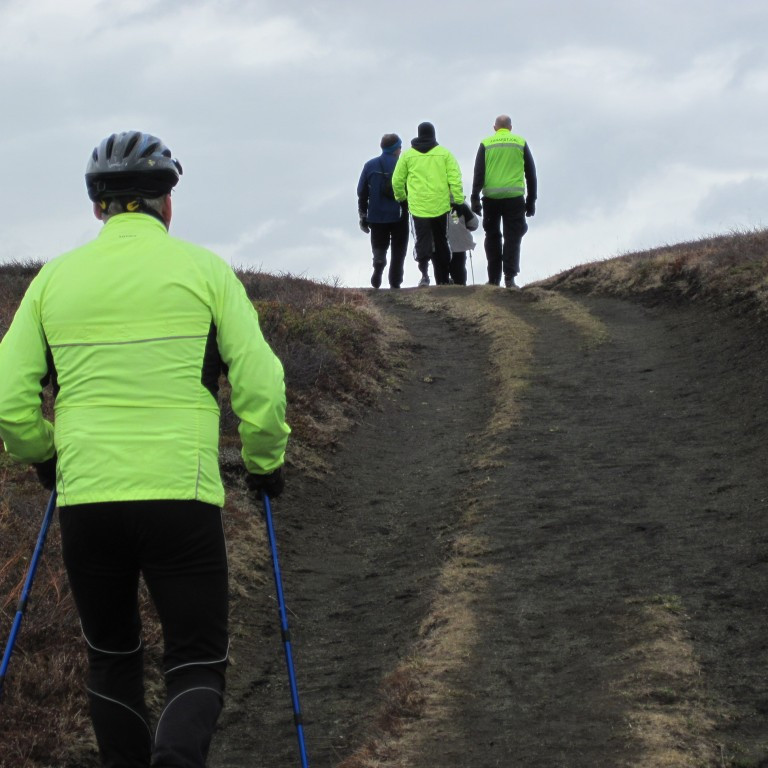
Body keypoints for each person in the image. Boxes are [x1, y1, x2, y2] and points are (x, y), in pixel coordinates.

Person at [0, 131, 291, 768]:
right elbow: (262, 384)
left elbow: (8, 396)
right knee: (196, 658)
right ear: (166, 202)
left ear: (97, 207)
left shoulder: (52, 281)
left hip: (88, 500)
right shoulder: (205, 271)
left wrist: (45, 457)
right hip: (180, 496)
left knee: (111, 656)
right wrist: (266, 462)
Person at [392, 121, 465, 286]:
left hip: (418, 207)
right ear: (433, 135)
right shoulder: (445, 154)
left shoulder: (407, 156)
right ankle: (444, 277)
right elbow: (455, 178)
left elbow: (397, 180)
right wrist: (458, 201)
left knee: (422, 241)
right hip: (441, 205)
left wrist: (402, 198)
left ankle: (424, 275)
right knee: (441, 241)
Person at [471, 114, 537, 289]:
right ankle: (510, 277)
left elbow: (479, 173)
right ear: (510, 128)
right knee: (512, 237)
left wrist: (475, 198)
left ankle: (493, 279)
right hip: (514, 198)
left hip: (491, 199)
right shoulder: (520, 142)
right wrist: (531, 200)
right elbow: (531, 174)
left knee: (492, 237)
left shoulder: (486, 144)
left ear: (494, 128)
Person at [357, 133, 409, 289]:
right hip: (399, 214)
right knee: (399, 249)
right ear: (395, 149)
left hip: (376, 214)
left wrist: (363, 214)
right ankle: (395, 281)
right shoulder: (403, 166)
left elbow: (361, 191)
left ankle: (379, 263)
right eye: (400, 147)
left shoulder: (370, 165)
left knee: (379, 245)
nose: (401, 150)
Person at [447, 200, 479, 286]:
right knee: (459, 272)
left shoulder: (432, 201)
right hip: (458, 245)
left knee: (441, 276)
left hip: (439, 246)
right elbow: (474, 224)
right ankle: (460, 288)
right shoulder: (461, 203)